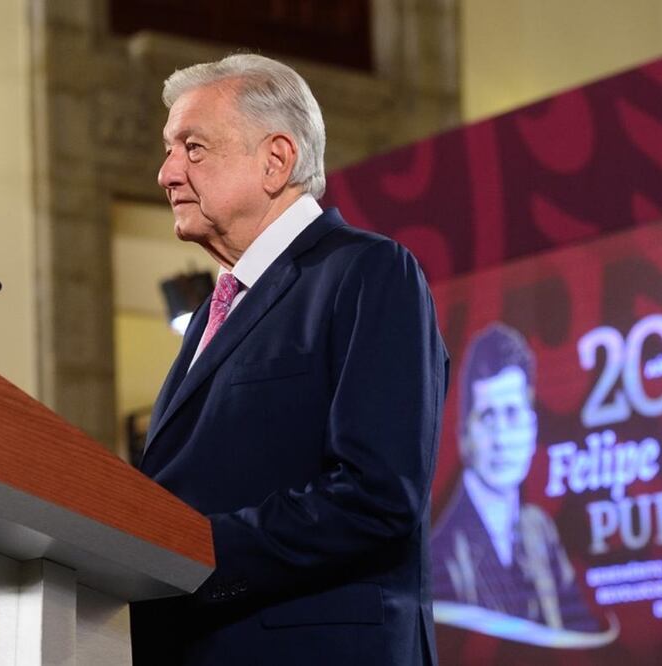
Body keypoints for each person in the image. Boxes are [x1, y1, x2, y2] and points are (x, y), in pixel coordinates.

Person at [130, 53, 449, 666]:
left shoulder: (368, 271)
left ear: (275, 160)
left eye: (192, 148)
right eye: (169, 150)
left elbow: (376, 494)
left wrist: (191, 553)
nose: (166, 173)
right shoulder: (210, 313)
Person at [430, 323, 598, 633]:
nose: (502, 438)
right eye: (488, 417)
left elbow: (581, 637)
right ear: (464, 432)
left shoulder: (539, 530)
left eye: (512, 414)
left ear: (532, 425)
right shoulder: (443, 558)